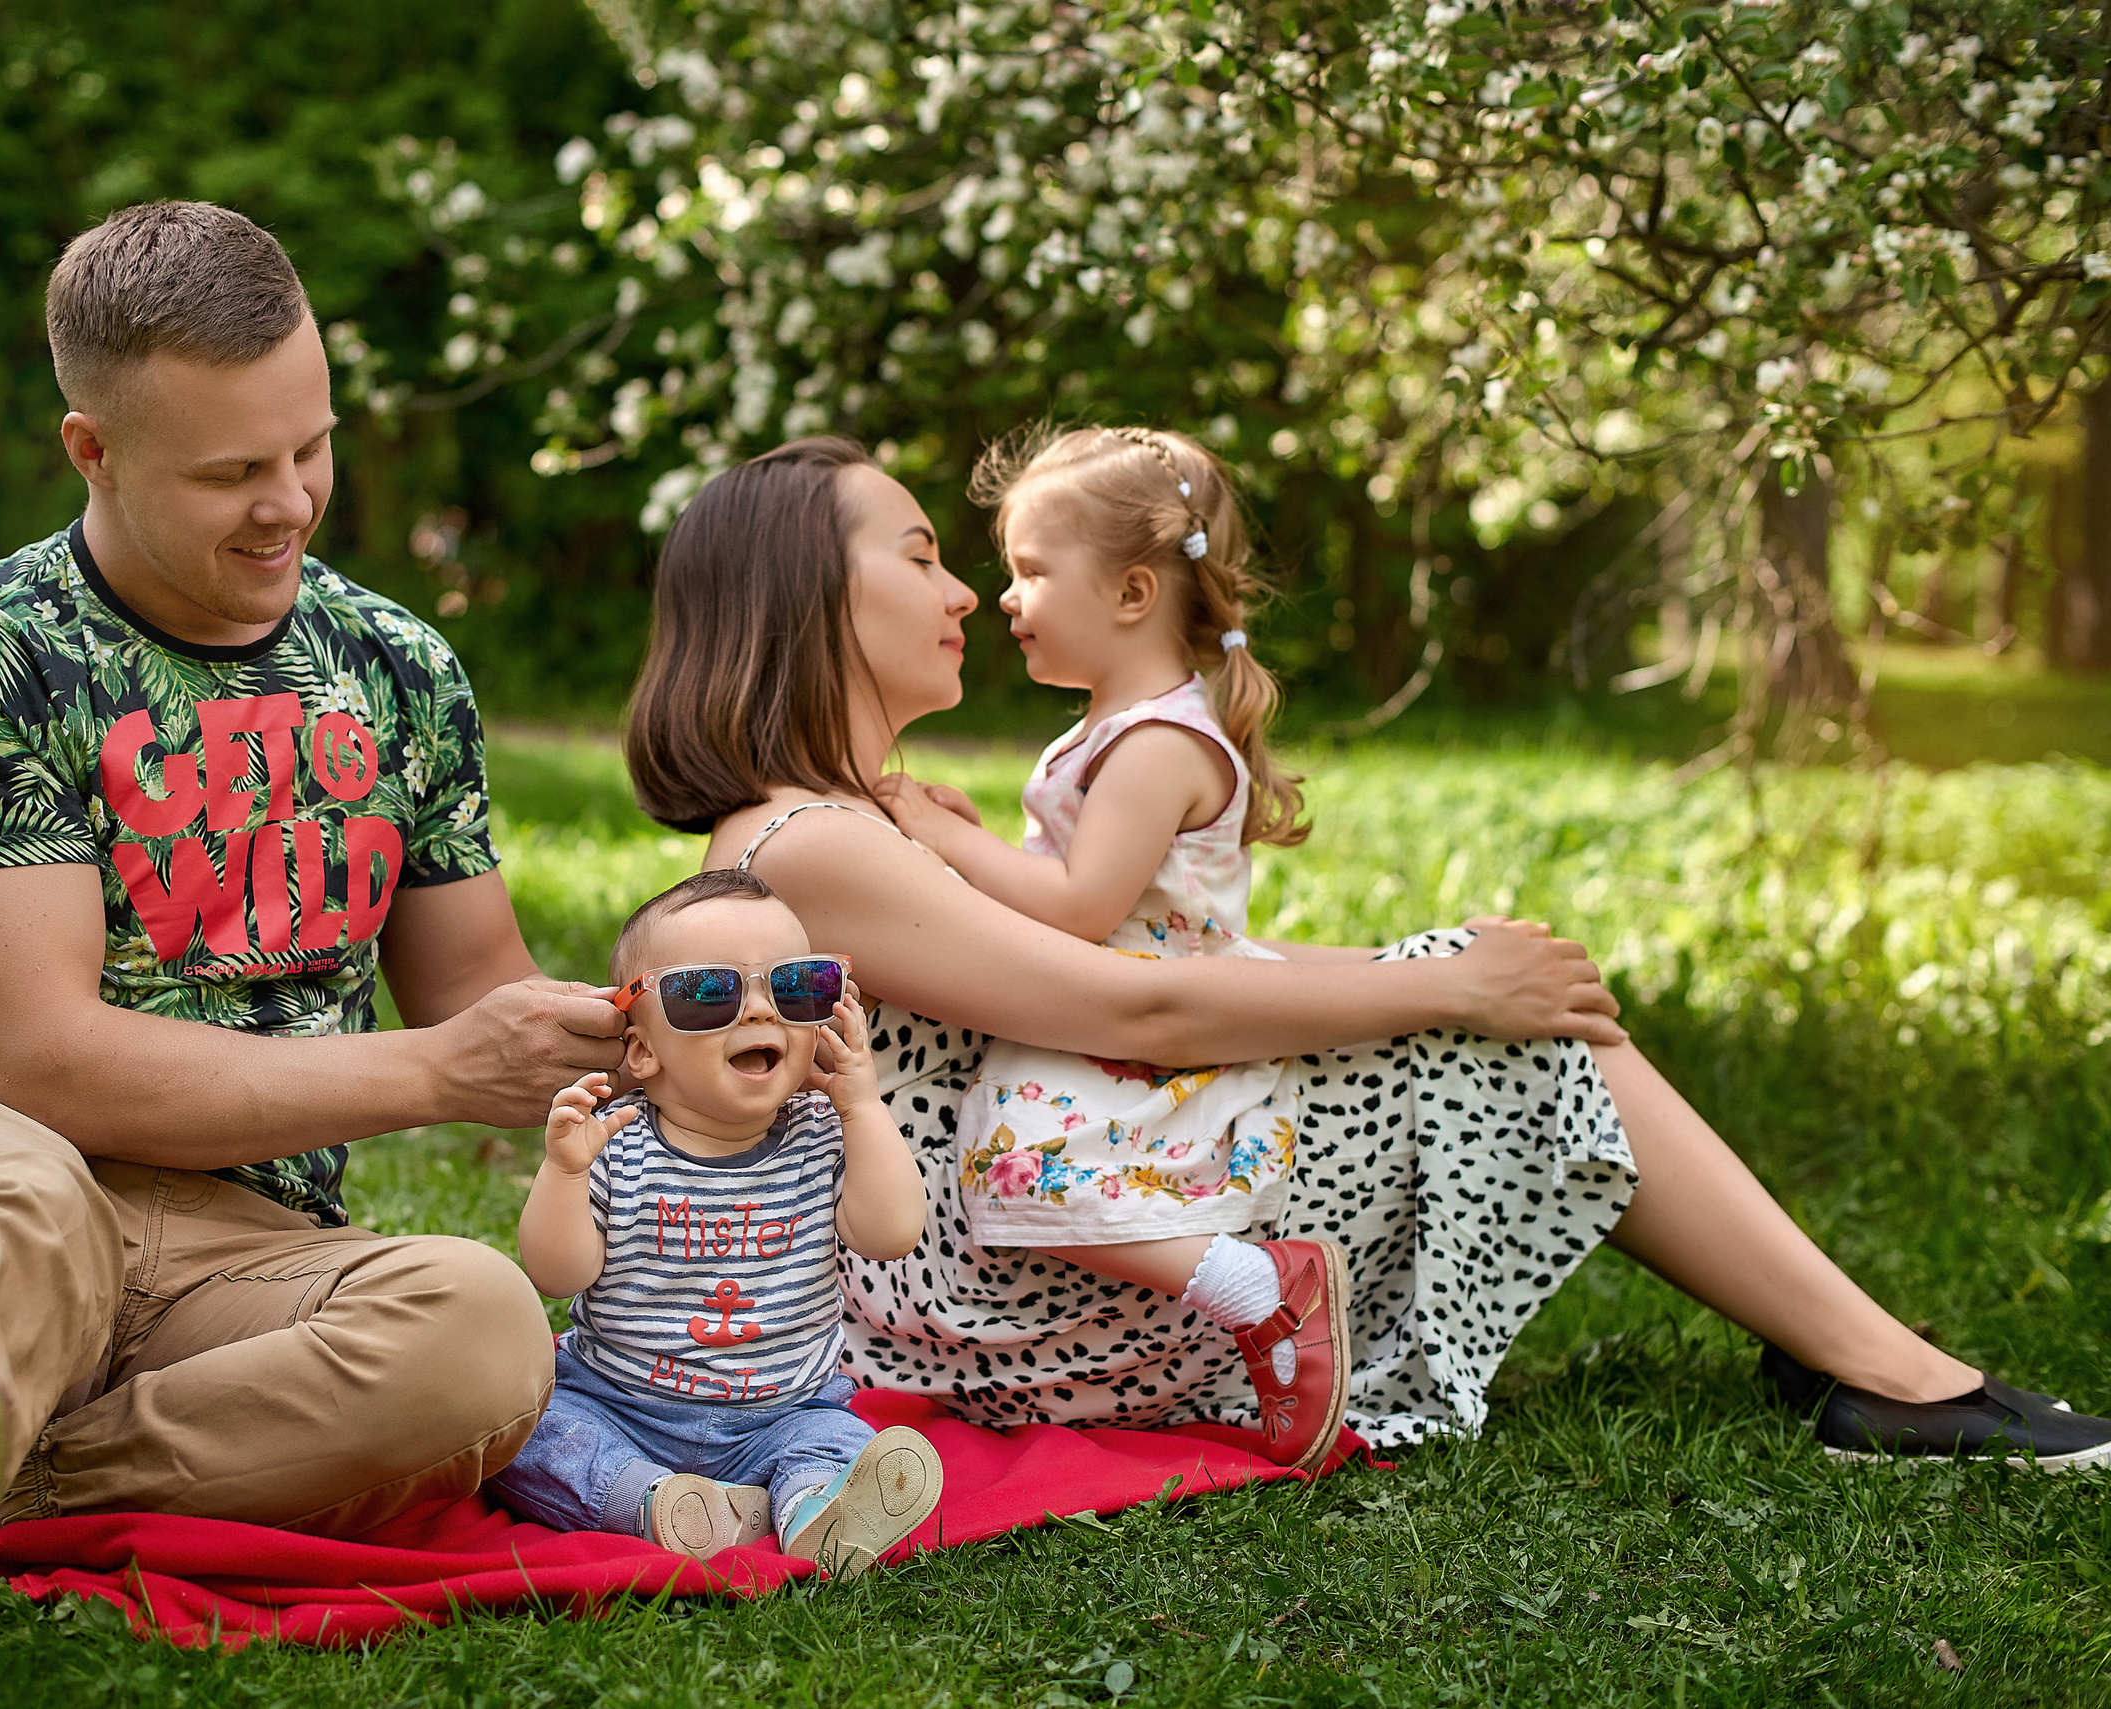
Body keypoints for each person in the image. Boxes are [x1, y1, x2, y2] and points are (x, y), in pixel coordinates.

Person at [621, 433, 2111, 1473]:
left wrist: (1431, 965)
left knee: (1472, 984)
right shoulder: (802, 839)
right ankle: (1884, 1375)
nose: (965, 593)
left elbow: (1171, 954)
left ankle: (1855, 1352)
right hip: (1007, 1283)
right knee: (1497, 1020)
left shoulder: (848, 818)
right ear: (806, 596)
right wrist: (1449, 985)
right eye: (928, 556)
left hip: (1069, 1188)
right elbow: (1124, 995)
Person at [0, 201, 623, 1708]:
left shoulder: (395, 665)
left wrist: (654, 1019)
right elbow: (51, 1063)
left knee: (481, 1325)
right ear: (89, 449)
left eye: (310, 446)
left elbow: (476, 987)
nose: (290, 503)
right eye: (232, 469)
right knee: (20, 1204)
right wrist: (434, 1075)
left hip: (260, 1251)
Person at [869, 424, 1352, 1475]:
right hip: (1112, 989)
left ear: (1133, 594)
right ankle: (1250, 1294)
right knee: (1011, 1172)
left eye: (1032, 572)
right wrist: (980, 845)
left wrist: (947, 839)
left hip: (1151, 1018)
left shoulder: (1157, 741)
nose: (1003, 597)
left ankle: (1263, 1292)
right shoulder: (1121, 724)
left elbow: (1084, 906)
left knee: (1019, 1169)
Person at [489, 870, 944, 1577]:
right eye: (710, 992)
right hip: (619, 1403)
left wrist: (861, 1104)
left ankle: (811, 1512)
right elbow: (558, 1274)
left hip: (785, 1410)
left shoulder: (823, 1134)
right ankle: (652, 1500)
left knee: (839, 1441)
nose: (760, 1011)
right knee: (525, 1433)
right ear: (642, 1050)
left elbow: (891, 1232)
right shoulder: (616, 1143)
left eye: (797, 986)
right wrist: (565, 1173)